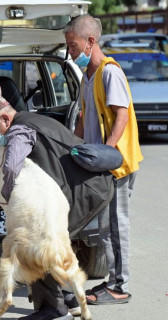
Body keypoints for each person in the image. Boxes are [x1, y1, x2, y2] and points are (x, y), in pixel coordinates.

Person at [0, 84, 114, 320]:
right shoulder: (33, 119)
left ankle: (52, 309)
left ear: (5, 118)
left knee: (39, 243)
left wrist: (6, 193)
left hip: (82, 190)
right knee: (54, 246)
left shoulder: (19, 130)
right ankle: (69, 300)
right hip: (88, 186)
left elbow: (12, 164)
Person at [63, 15, 143, 304]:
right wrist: (71, 146)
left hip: (115, 164)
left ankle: (119, 286)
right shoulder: (88, 76)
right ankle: (111, 280)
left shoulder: (110, 73)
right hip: (100, 164)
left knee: (116, 225)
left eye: (72, 46)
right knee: (105, 225)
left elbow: (121, 113)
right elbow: (84, 118)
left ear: (90, 42)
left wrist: (107, 152)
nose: (70, 52)